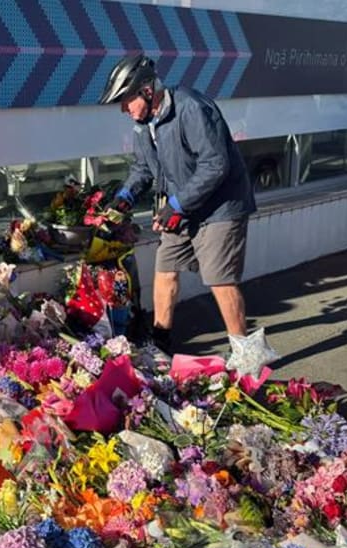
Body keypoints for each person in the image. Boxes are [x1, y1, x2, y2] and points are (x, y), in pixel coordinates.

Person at [98, 54, 256, 354]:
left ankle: (246, 354)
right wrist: (123, 198)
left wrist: (177, 204)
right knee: (165, 269)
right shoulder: (144, 124)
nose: (123, 109)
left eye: (126, 100)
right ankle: (160, 344)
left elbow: (215, 165)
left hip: (220, 206)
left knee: (220, 280)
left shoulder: (191, 107)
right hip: (181, 207)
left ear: (147, 90)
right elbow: (143, 168)